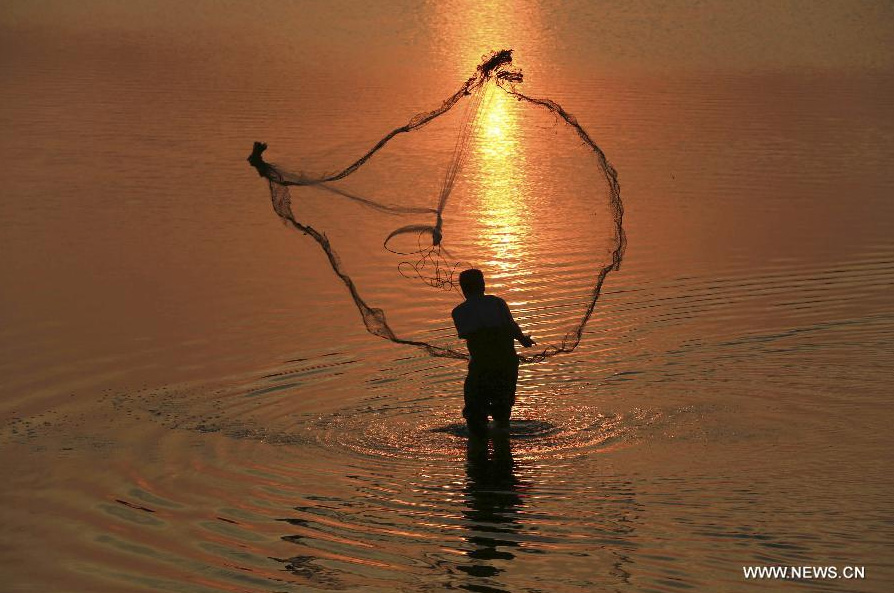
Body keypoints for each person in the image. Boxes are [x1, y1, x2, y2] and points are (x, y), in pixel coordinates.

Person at [451, 269, 534, 438]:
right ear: (483, 285)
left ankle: (478, 452)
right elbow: (511, 326)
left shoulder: (459, 312)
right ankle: (502, 443)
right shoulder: (497, 303)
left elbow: (470, 334)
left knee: (474, 413)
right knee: (502, 409)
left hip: (481, 366)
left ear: (463, 289)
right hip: (506, 363)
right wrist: (523, 340)